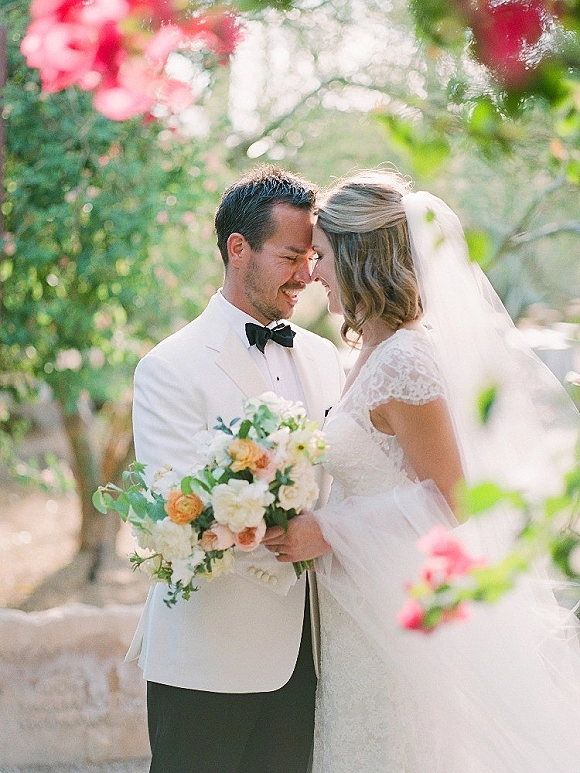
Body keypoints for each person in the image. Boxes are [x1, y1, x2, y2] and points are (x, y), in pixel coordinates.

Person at [263, 169, 580, 772]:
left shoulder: (406, 359)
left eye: (322, 255)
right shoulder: (370, 351)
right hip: (359, 600)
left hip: (396, 604)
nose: (312, 273)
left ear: (358, 257)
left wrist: (326, 530)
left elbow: (451, 500)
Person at [125, 164, 344, 773]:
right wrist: (286, 529)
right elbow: (175, 510)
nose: (307, 274)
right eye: (291, 256)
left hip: (309, 653)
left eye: (311, 257)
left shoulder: (325, 357)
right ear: (238, 248)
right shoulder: (169, 367)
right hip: (209, 653)